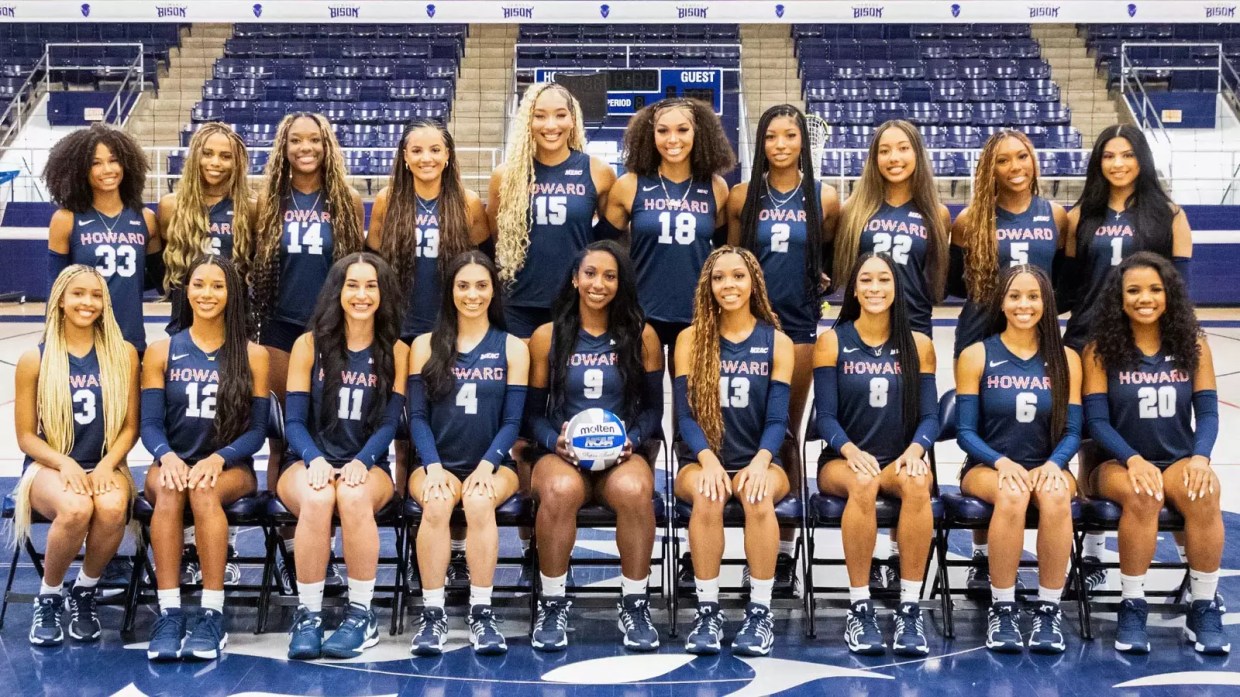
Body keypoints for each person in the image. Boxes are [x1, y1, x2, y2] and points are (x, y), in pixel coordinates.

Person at [1060, 124, 1193, 587]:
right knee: (1090, 439)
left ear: (1142, 160)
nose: (1117, 164)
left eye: (1127, 155)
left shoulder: (1169, 215)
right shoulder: (1081, 216)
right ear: (1098, 163)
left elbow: (1179, 290)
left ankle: (1191, 563)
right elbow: (1070, 284)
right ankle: (1093, 555)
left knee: (1138, 433)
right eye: (1108, 156)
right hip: (1086, 338)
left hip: (1144, 342)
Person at [1082, 252, 1227, 655]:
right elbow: (1097, 423)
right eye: (1133, 290)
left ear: (1169, 295)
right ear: (1119, 298)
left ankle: (1203, 605)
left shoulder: (1193, 345)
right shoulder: (1099, 350)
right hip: (1117, 462)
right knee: (1143, 495)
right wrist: (1132, 458)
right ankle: (1133, 604)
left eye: (1154, 289)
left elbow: (1209, 412)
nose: (1144, 298)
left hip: (1179, 458)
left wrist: (1200, 458)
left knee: (1205, 492)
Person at [525, 241, 664, 652]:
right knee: (559, 490)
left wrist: (632, 441)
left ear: (621, 284)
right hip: (563, 454)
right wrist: (556, 441)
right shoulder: (546, 337)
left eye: (609, 276)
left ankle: (635, 602)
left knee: (637, 490)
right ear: (574, 279)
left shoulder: (643, 336)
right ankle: (553, 601)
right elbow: (532, 414)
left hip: (619, 455)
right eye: (589, 274)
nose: (598, 284)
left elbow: (654, 411)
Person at [249, 112, 364, 591]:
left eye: (314, 139)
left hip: (333, 331)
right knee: (285, 439)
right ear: (283, 146)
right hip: (280, 326)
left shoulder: (347, 201)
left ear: (327, 145)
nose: (305, 147)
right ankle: (290, 551)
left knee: (335, 433)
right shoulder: (266, 204)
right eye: (295, 140)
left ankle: (332, 552)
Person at [949, 129, 1067, 592]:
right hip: (980, 332)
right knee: (982, 436)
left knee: (1036, 428)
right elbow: (957, 286)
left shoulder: (1056, 215)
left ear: (1034, 162)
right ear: (988, 169)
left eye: (1022, 157)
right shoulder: (970, 220)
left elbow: (1065, 282)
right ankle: (983, 556)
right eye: (1002, 160)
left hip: (1034, 331)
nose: (1015, 166)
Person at [730, 104, 840, 593]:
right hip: (744, 326)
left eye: (789, 136)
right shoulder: (741, 197)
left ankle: (785, 550)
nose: (780, 145)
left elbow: (828, 254)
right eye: (771, 137)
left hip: (797, 327)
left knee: (786, 434)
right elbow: (730, 261)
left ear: (803, 142)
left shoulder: (825, 198)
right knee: (734, 428)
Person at [140, 256, 269, 661]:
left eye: (217, 286)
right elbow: (149, 425)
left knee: (202, 488)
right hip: (173, 461)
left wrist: (219, 458)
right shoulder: (162, 351)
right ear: (186, 291)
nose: (206, 294)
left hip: (231, 468)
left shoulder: (252, 354)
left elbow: (257, 431)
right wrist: (167, 457)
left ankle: (212, 613)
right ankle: (170, 612)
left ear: (231, 294)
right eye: (198, 285)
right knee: (169, 488)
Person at [279, 253, 406, 660]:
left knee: (351, 496)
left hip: (368, 464)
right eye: (352, 284)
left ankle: (361, 613)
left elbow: (388, 425)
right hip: (306, 459)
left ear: (383, 294)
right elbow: (294, 421)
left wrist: (362, 461)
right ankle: (309, 614)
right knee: (318, 498)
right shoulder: (308, 344)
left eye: (371, 285)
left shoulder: (397, 351)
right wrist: (314, 458)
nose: (361, 294)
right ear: (338, 290)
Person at [813, 253, 938, 656]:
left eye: (884, 280)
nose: (874, 288)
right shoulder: (832, 341)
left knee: (919, 482)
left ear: (897, 288)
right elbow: (825, 417)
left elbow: (932, 416)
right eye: (865, 280)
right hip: (842, 462)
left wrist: (915, 451)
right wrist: (849, 450)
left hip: (900, 460)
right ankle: (860, 606)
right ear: (853, 289)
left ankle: (909, 606)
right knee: (863, 482)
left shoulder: (919, 344)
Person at [406, 251, 529, 657]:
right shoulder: (424, 345)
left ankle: (481, 610)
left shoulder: (513, 347)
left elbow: (513, 422)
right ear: (450, 291)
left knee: (478, 502)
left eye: (481, 285)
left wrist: (487, 464)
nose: (472, 294)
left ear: (493, 291)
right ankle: (433, 613)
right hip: (436, 463)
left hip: (493, 465)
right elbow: (418, 418)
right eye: (463, 285)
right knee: (438, 503)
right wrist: (433, 465)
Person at [955, 265, 1082, 655]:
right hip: (986, 468)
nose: (1023, 304)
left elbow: (1074, 431)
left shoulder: (1067, 359)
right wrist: (1001, 463)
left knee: (1057, 497)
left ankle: (1048, 609)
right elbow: (965, 433)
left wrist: (1053, 464)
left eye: (1032, 297)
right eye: (1014, 296)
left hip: (1049, 463)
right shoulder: (977, 355)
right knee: (1011, 494)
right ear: (1001, 303)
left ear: (1046, 303)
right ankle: (1003, 606)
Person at [674, 246, 794, 657]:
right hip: (701, 460)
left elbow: (778, 421)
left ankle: (760, 611)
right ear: (708, 286)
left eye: (738, 276)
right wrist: (707, 459)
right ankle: (707, 610)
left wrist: (761, 462)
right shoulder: (690, 340)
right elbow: (686, 418)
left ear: (753, 283)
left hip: (760, 459)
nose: (729, 285)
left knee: (757, 496)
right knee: (709, 494)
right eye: (720, 277)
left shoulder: (777, 341)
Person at [13, 265, 140, 646]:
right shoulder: (35, 359)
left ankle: (84, 591)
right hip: (50, 464)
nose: (88, 302)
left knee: (114, 507)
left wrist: (104, 465)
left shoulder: (124, 354)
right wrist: (64, 462)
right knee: (76, 509)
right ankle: (49, 596)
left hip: (105, 461)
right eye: (79, 294)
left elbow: (130, 427)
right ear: (60, 301)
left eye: (96, 295)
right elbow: (25, 437)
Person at [157, 121, 255, 588]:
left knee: (233, 423)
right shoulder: (172, 207)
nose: (216, 163)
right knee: (186, 426)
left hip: (238, 333)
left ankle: (224, 546)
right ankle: (186, 551)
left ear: (238, 163)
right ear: (194, 157)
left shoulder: (250, 210)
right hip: (186, 327)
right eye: (208, 154)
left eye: (226, 156)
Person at [602, 97, 735, 354]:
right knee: (645, 393)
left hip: (695, 311)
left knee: (689, 393)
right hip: (640, 311)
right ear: (650, 135)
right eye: (662, 131)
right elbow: (603, 244)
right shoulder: (629, 184)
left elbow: (725, 249)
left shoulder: (716, 187)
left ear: (700, 133)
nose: (672, 139)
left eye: (682, 130)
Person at [488, 83, 617, 339]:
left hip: (577, 301)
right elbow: (496, 237)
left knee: (567, 379)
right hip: (519, 302)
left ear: (573, 119)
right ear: (528, 121)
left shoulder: (598, 172)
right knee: (524, 379)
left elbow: (607, 242)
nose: (550, 125)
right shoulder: (505, 176)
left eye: (560, 115)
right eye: (540, 116)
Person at [369, 119, 489, 344]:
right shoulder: (386, 200)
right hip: (395, 328)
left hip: (451, 327)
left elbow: (485, 266)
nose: (426, 158)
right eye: (416, 151)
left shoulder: (468, 203)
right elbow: (371, 264)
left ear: (448, 155)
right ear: (405, 156)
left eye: (435, 150)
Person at [45, 123, 162, 353]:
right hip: (81, 342)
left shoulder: (146, 219)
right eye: (95, 163)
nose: (107, 169)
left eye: (114, 160)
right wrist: (50, 344)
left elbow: (162, 281)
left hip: (129, 339)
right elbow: (54, 290)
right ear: (80, 170)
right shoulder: (66, 219)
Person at [830, 120, 949, 337]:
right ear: (874, 159)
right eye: (884, 151)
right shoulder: (852, 210)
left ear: (917, 154)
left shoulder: (937, 214)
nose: (894, 158)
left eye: (903, 148)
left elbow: (934, 279)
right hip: (862, 326)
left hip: (914, 325)